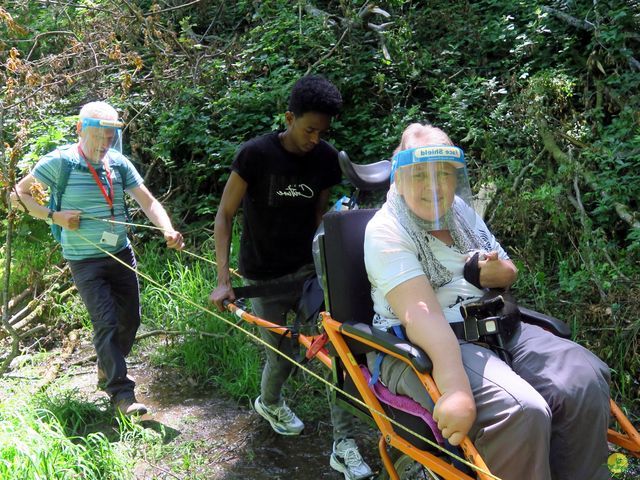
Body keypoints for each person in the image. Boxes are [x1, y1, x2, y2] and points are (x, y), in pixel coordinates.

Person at [363, 123, 611, 480]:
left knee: (583, 380)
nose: (433, 186)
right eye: (419, 174)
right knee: (519, 411)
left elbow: (506, 271)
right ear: (397, 179)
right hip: (426, 341)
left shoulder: (459, 210)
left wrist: (494, 273)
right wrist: (455, 389)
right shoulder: (385, 230)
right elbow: (422, 317)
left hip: (494, 323)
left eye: (444, 175)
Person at [209, 75, 372, 480]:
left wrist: (330, 266)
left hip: (308, 272)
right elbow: (224, 215)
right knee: (283, 353)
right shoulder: (255, 155)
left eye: (323, 131)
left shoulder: (325, 158)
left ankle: (344, 443)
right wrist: (223, 279)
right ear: (289, 118)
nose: (315, 139)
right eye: (309, 129)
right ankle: (270, 402)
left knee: (339, 348)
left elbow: (321, 218)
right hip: (262, 274)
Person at [11, 101, 184, 416]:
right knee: (105, 321)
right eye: (100, 136)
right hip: (84, 260)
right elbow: (18, 196)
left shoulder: (118, 164)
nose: (106, 143)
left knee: (130, 319)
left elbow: (147, 201)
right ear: (81, 130)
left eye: (110, 136)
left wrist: (168, 229)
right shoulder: (59, 163)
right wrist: (55, 215)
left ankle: (108, 366)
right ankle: (122, 394)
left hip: (120, 254)